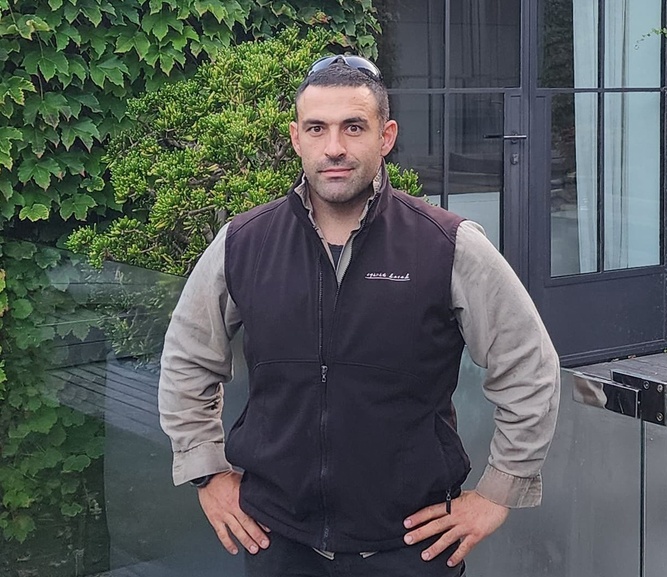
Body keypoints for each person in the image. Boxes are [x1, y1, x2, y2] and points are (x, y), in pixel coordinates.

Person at [158, 54, 560, 577]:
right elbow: (188, 357)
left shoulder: (446, 244)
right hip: (277, 542)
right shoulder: (244, 242)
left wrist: (498, 493)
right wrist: (207, 472)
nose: (334, 147)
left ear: (385, 136)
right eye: (316, 128)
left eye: (353, 127)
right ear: (296, 138)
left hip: (410, 546)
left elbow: (528, 364)